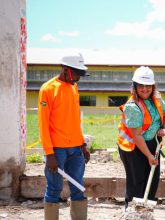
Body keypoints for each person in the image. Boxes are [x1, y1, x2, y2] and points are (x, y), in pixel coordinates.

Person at [38, 53, 90, 220]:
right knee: (54, 188)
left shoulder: (74, 87)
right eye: (76, 74)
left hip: (76, 148)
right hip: (56, 150)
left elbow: (74, 119)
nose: (78, 78)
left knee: (78, 187)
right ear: (66, 69)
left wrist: (83, 144)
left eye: (81, 75)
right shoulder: (47, 89)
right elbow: (43, 124)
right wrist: (49, 154)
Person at [117, 66, 165, 209]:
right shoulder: (132, 106)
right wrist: (149, 156)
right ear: (134, 86)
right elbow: (137, 135)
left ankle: (146, 212)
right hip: (133, 147)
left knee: (152, 181)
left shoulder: (156, 98)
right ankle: (131, 213)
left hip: (152, 144)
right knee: (137, 183)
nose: (145, 89)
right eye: (141, 85)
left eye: (148, 86)